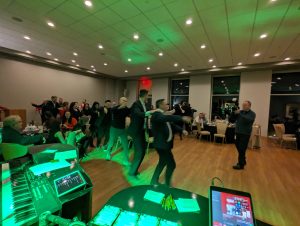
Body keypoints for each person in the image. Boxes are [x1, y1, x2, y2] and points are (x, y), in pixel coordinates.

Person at [150, 99, 190, 186]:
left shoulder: (163, 115)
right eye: (166, 104)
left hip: (164, 145)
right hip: (161, 145)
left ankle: (153, 180)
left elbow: (171, 125)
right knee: (172, 165)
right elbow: (165, 118)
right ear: (160, 105)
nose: (168, 105)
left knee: (162, 162)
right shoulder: (156, 114)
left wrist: (182, 130)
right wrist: (181, 118)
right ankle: (167, 184)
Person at [128, 89, 157, 178]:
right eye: (148, 95)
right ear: (144, 95)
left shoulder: (145, 105)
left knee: (142, 151)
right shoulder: (136, 104)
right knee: (140, 151)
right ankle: (132, 172)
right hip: (136, 131)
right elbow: (138, 114)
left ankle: (134, 169)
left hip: (142, 131)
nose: (148, 97)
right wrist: (150, 112)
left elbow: (149, 114)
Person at [105, 97, 131, 166]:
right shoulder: (115, 108)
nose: (125, 101)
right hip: (114, 128)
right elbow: (112, 111)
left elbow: (129, 115)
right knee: (111, 142)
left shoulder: (127, 109)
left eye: (126, 100)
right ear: (120, 101)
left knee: (125, 145)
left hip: (122, 129)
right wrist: (121, 107)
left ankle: (125, 160)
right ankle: (108, 154)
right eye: (124, 100)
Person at [230, 100, 256, 170]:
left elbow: (247, 120)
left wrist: (240, 114)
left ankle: (240, 164)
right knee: (238, 147)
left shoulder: (252, 114)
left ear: (249, 106)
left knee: (242, 148)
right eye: (243, 105)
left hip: (245, 134)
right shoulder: (240, 112)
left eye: (245, 105)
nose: (243, 106)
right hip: (237, 132)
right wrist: (233, 113)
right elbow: (231, 120)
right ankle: (243, 160)